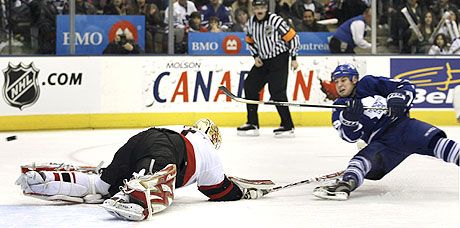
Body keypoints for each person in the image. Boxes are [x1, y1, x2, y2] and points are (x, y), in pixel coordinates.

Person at [16, 118, 272, 221]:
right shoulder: (210, 153)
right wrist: (243, 191)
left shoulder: (186, 128)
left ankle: (44, 179)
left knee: (102, 186)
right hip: (168, 149)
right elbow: (219, 191)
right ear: (213, 139)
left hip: (143, 138)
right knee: (151, 181)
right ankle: (138, 193)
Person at [313, 64, 459, 201]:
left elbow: (405, 85)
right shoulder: (339, 107)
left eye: (343, 80)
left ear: (354, 79)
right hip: (381, 144)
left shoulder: (368, 84)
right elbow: (349, 137)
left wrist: (398, 97)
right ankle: (345, 185)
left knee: (440, 144)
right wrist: (349, 120)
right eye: (336, 82)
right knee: (359, 161)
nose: (339, 85)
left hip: (403, 128)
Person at [237, 0, 300, 138]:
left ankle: (287, 126)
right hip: (263, 61)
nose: (259, 10)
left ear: (266, 8)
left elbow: (293, 37)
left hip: (279, 59)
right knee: (250, 86)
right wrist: (255, 56)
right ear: (253, 9)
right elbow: (249, 41)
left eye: (262, 7)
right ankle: (252, 123)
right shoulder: (251, 22)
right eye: (257, 7)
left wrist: (293, 58)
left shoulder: (275, 20)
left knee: (277, 91)